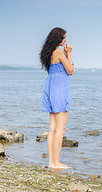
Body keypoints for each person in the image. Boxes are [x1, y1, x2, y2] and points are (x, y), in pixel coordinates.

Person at [40, 27, 74, 169]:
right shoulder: (59, 52)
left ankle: (51, 162)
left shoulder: (48, 54)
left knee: (52, 128)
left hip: (50, 89)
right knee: (60, 129)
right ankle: (56, 162)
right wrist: (69, 54)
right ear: (58, 38)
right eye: (64, 37)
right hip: (60, 90)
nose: (66, 40)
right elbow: (70, 71)